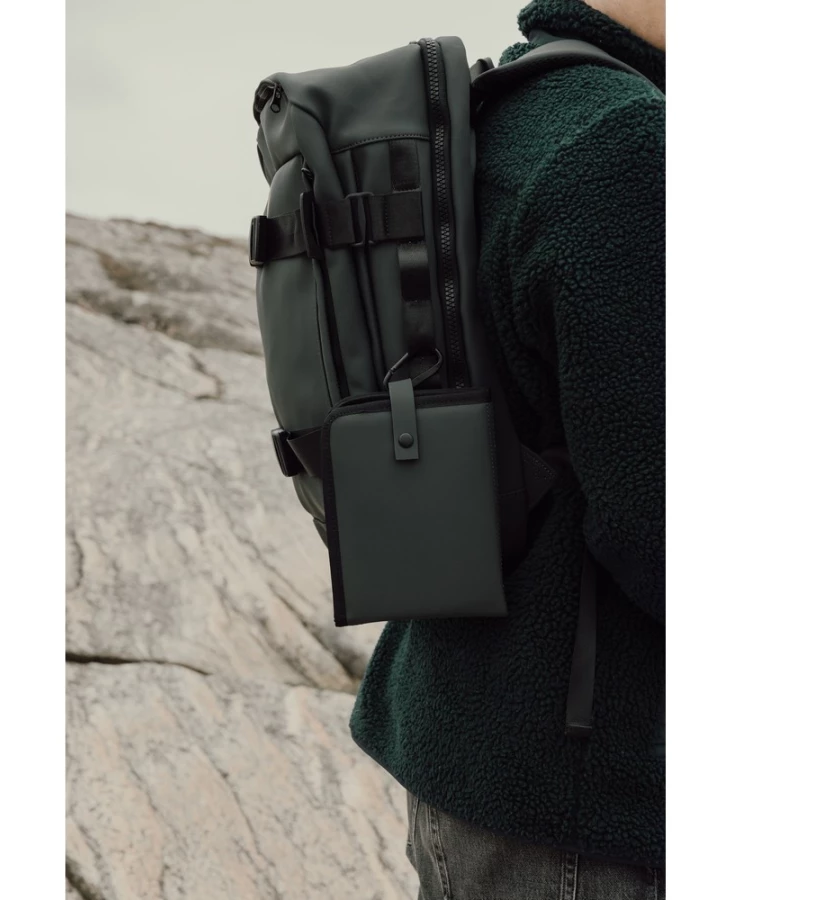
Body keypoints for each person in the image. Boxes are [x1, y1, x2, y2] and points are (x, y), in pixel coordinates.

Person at [348, 0, 666, 895]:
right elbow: (660, 513)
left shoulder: (510, 98)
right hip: (585, 793)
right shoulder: (627, 144)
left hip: (477, 731)